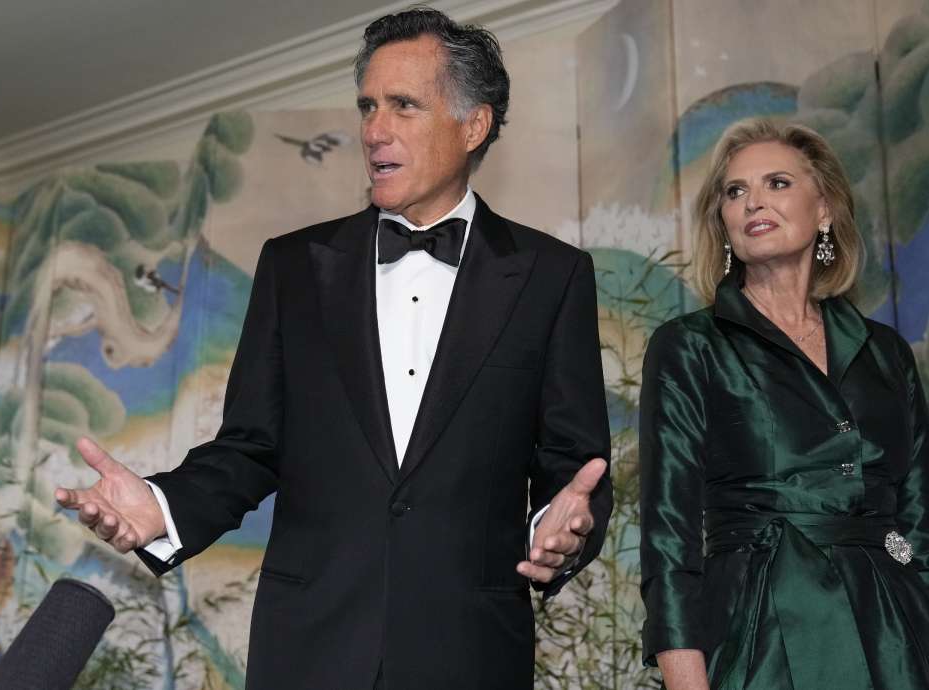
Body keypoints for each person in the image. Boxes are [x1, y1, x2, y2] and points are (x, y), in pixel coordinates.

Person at [53, 8, 612, 690]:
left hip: (470, 651)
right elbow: (251, 446)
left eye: (404, 105)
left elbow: (572, 466)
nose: (373, 130)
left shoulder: (552, 276)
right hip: (309, 646)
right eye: (368, 106)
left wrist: (560, 531)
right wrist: (161, 507)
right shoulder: (294, 267)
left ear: (474, 125)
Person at [638, 118, 929, 690]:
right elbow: (668, 538)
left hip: (895, 632)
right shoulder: (689, 347)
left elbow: (926, 534)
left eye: (777, 182)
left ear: (825, 207)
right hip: (758, 637)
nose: (753, 201)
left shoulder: (886, 354)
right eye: (735, 192)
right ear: (724, 221)